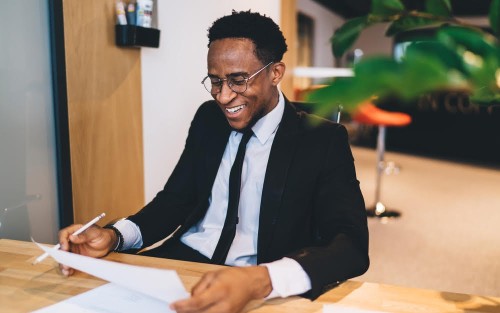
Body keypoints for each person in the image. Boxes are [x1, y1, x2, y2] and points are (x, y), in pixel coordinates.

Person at [58, 10, 369, 313]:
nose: (223, 97)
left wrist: (261, 279)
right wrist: (114, 235)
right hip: (181, 265)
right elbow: (174, 200)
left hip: (259, 280)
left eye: (238, 80)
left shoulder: (322, 140)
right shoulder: (208, 119)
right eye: (215, 81)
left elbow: (350, 245)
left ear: (275, 73)